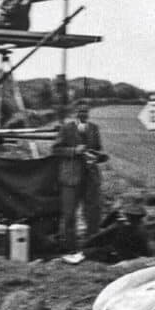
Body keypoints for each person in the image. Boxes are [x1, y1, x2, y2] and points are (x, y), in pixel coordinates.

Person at [52, 101, 108, 245]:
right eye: (80, 111)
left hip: (90, 176)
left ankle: (92, 243)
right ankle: (70, 245)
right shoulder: (66, 128)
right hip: (71, 177)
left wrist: (98, 156)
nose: (83, 114)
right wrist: (74, 151)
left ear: (88, 113)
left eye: (85, 111)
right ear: (75, 112)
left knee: (92, 212)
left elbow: (99, 149)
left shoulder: (94, 128)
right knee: (69, 213)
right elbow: (56, 149)